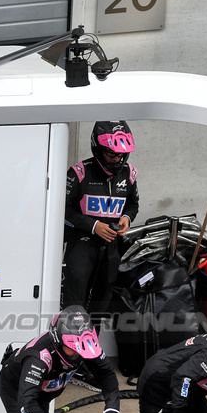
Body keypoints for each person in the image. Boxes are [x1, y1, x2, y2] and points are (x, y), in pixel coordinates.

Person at [63, 120, 139, 313]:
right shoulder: (78, 173)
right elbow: (62, 210)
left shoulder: (130, 174)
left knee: (101, 303)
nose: (117, 159)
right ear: (97, 149)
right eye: (111, 153)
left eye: (122, 155)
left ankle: (92, 341)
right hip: (82, 246)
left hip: (111, 249)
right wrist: (93, 225)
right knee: (75, 303)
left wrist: (127, 219)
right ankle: (71, 342)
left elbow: (133, 204)